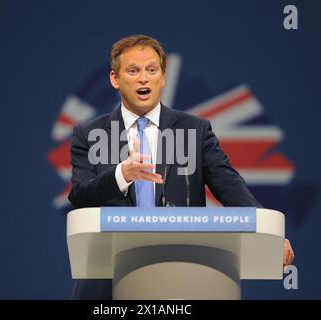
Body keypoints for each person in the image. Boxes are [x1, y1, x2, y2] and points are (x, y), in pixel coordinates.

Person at [68, 34, 294, 300]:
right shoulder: (89, 133)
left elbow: (229, 185)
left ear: (163, 78)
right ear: (115, 79)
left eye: (152, 70)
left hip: (184, 276)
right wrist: (122, 174)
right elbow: (80, 196)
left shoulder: (196, 130)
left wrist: (267, 233)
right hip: (107, 286)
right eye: (133, 70)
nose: (144, 78)